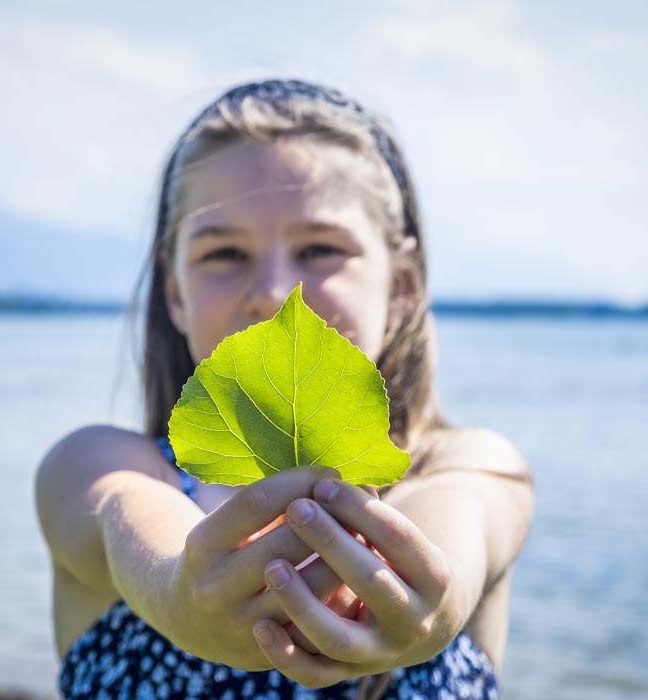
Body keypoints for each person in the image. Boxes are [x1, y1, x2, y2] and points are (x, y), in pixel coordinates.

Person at [36, 78, 534, 700]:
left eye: (320, 248)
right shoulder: (96, 465)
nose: (274, 292)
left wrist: (422, 602)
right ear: (174, 294)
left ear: (401, 287)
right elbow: (121, 517)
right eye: (225, 254)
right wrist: (180, 595)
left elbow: (459, 534)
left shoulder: (470, 467)